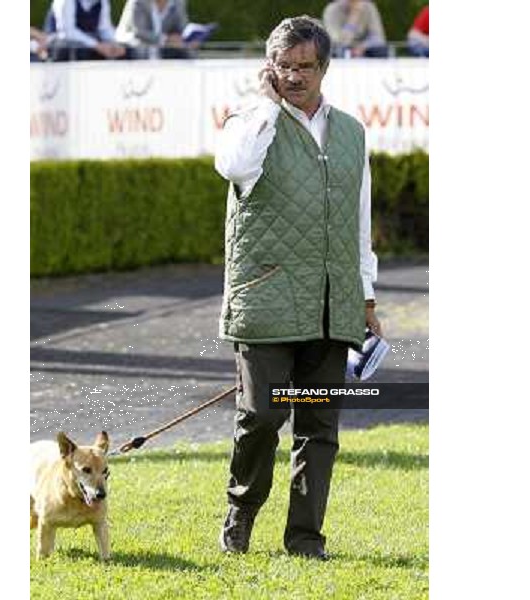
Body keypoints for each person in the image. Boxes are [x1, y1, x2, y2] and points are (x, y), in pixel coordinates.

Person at [214, 15, 382, 560]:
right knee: (261, 413)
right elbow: (232, 166)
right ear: (270, 68)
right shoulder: (250, 123)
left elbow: (359, 221)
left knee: (318, 424)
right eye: (282, 67)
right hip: (265, 300)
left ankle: (305, 540)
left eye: (303, 67)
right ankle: (240, 514)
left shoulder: (353, 132)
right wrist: (266, 105)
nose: (293, 77)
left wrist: (367, 296)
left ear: (324, 68)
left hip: (331, 303)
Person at [50, 0, 132, 61]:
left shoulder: (102, 2)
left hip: (91, 44)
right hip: (61, 47)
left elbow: (104, 29)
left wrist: (116, 43)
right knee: (78, 49)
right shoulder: (66, 1)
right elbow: (68, 32)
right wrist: (97, 45)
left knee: (125, 50)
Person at [115, 0, 195, 59]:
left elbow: (183, 29)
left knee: (185, 51)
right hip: (135, 43)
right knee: (141, 49)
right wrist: (166, 39)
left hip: (166, 48)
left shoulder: (178, 3)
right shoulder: (138, 2)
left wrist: (186, 39)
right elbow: (139, 32)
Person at [322, 0, 388, 57]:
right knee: (343, 51)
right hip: (341, 51)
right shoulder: (331, 10)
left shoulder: (369, 7)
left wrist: (363, 47)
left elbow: (379, 38)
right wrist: (353, 16)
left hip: (364, 49)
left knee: (380, 50)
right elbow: (340, 42)